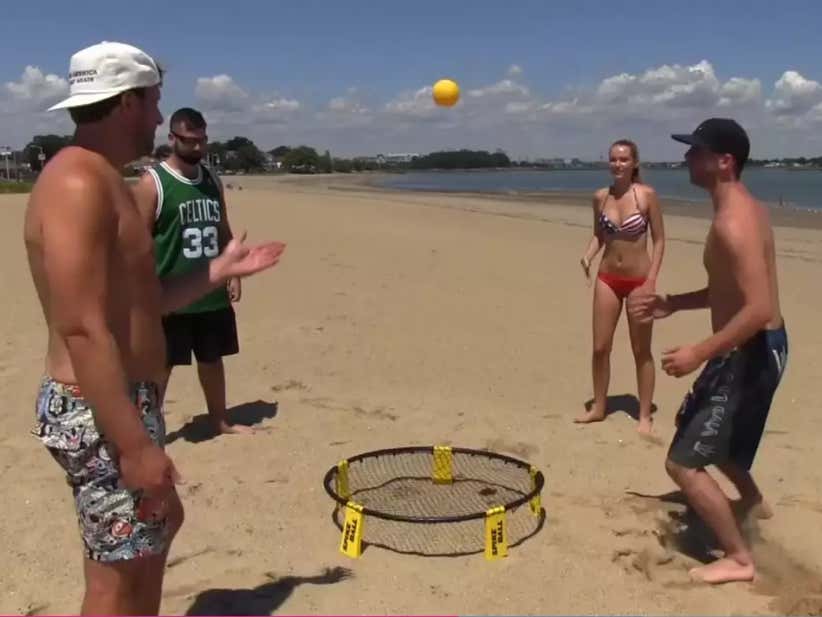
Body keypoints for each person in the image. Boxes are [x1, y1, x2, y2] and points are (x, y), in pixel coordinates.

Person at [24, 41, 285, 615]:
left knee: (155, 532)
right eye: (154, 102)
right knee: (116, 577)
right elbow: (82, 327)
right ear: (126, 103)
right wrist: (135, 446)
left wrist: (219, 269)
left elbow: (145, 300)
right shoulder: (76, 183)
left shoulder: (106, 178)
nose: (161, 118)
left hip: (123, 398)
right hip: (99, 404)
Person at [628, 118, 787, 584]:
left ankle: (739, 559)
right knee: (713, 438)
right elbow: (728, 290)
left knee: (683, 461)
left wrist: (700, 351)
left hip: (749, 351)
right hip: (752, 347)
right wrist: (674, 303)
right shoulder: (738, 210)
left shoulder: (734, 223)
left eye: (696, 151)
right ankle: (753, 503)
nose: (686, 158)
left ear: (725, 161)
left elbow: (758, 308)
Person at [133, 107, 249, 436]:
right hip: (170, 295)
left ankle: (219, 420)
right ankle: (149, 431)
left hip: (211, 293)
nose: (197, 148)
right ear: (172, 138)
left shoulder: (211, 179)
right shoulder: (153, 183)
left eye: (202, 141)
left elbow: (222, 227)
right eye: (189, 141)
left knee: (213, 360)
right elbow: (136, 244)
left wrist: (234, 271)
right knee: (161, 366)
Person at [577, 139, 665, 434]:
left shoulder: (647, 196)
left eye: (624, 159)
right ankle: (599, 407)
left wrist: (652, 278)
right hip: (607, 279)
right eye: (613, 159)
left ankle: (644, 415)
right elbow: (599, 236)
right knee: (600, 347)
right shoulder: (600, 197)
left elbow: (660, 240)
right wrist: (587, 256)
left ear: (634, 163)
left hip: (639, 280)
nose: (617, 164)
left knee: (642, 350)